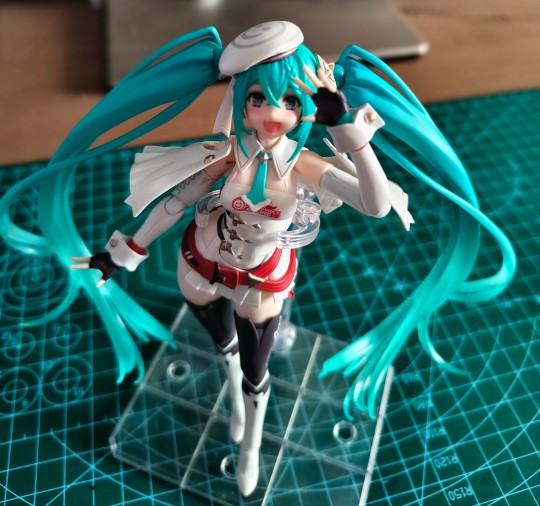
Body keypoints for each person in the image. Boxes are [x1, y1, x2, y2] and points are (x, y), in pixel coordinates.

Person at [0, 21, 516, 496]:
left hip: (262, 277)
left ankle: (249, 446)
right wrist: (124, 252)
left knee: (256, 369)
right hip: (202, 261)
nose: (271, 113)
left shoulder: (305, 164)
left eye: (288, 100)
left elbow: (376, 205)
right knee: (222, 347)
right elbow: (176, 203)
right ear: (241, 103)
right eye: (257, 98)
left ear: (305, 108)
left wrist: (349, 134)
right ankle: (231, 399)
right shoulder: (229, 153)